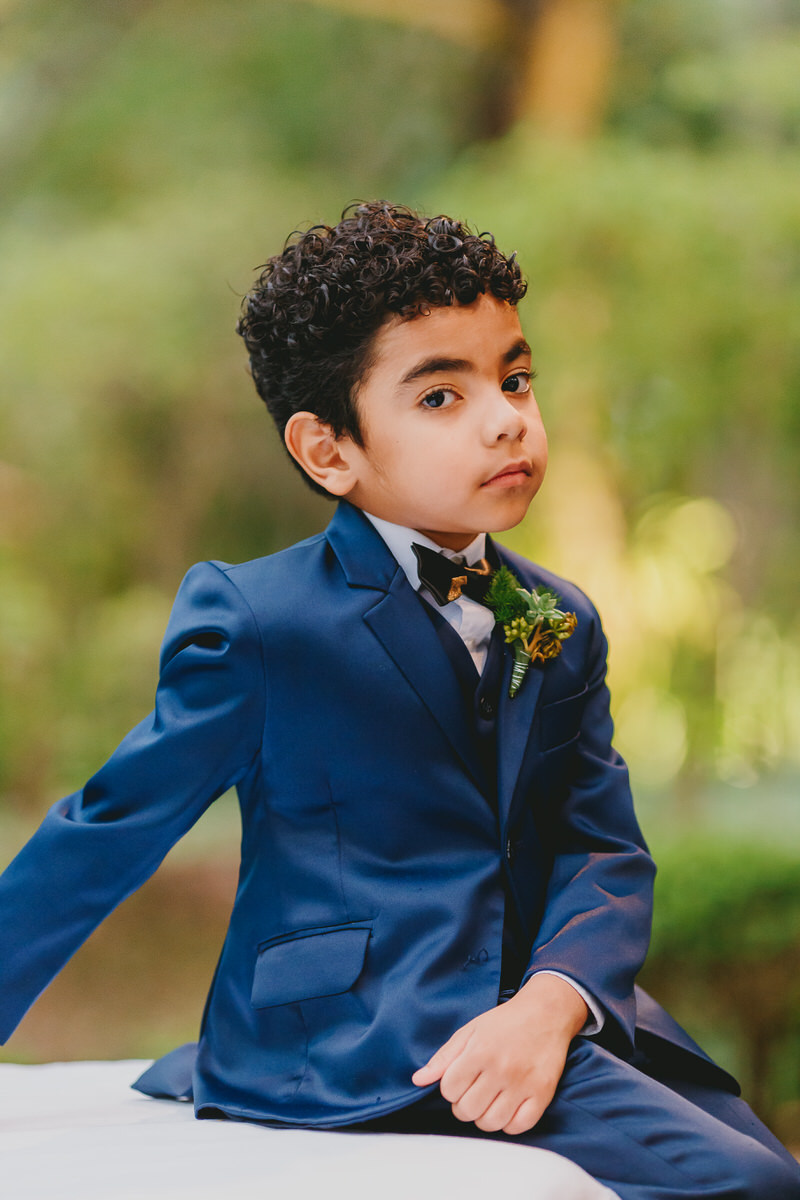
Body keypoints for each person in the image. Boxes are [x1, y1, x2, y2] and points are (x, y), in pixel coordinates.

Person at [0, 202, 797, 1199]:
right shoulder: (260, 620)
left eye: (513, 378)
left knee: (770, 1166)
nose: (506, 417)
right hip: (363, 1028)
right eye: (438, 398)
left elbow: (598, 843)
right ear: (328, 452)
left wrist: (553, 1002)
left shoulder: (555, 617)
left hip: (538, 1006)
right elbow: (106, 831)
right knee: (739, 1186)